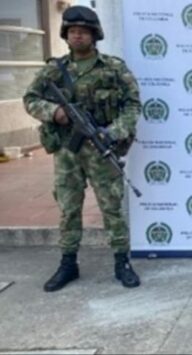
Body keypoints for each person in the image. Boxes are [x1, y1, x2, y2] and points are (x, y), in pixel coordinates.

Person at [23, 6, 141, 291]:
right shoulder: (53, 70)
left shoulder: (113, 68)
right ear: (65, 34)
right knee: (68, 208)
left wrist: (113, 132)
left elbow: (132, 104)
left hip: (100, 147)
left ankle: (122, 261)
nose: (77, 36)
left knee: (112, 206)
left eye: (83, 32)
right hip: (67, 150)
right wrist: (55, 113)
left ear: (94, 35)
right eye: (72, 31)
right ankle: (68, 263)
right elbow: (30, 99)